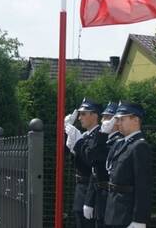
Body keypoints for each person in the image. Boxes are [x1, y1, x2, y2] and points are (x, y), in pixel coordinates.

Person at [104, 102, 152, 228]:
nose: (118, 123)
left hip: (126, 214)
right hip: (113, 211)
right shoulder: (120, 143)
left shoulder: (140, 146)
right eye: (117, 119)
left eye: (122, 119)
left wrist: (139, 219)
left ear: (135, 119)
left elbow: (143, 186)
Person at [82, 102, 122, 227]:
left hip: (110, 196)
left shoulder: (118, 141)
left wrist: (102, 135)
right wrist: (89, 201)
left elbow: (96, 156)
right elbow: (94, 170)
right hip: (99, 195)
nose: (104, 120)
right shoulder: (104, 139)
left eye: (109, 117)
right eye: (104, 117)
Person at [65, 98, 102, 228]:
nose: (80, 118)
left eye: (83, 114)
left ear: (95, 115)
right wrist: (68, 138)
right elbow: (74, 162)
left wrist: (79, 143)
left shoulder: (99, 136)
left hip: (90, 189)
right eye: (79, 114)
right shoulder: (85, 135)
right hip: (81, 188)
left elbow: (91, 162)